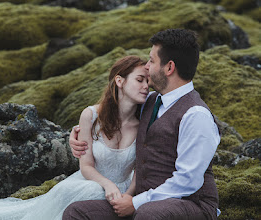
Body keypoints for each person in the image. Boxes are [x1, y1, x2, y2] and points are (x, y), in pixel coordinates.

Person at [0, 55, 149, 220]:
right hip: (90, 184)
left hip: (124, 192)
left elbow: (140, 169)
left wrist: (128, 196)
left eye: (148, 81)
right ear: (119, 81)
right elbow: (86, 166)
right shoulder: (91, 116)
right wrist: (108, 186)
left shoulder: (146, 123)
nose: (146, 86)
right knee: (91, 192)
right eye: (140, 80)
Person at [63, 29, 221, 220]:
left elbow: (188, 181)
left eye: (151, 61)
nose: (147, 66)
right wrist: (81, 132)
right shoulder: (151, 101)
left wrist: (136, 202)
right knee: (78, 213)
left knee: (148, 215)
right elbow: (114, 109)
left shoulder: (196, 115)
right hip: (143, 202)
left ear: (169, 68)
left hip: (191, 205)